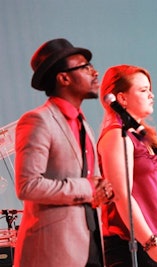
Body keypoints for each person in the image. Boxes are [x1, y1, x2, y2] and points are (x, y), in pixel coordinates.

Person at [14, 38, 114, 267]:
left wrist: (103, 190)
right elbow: (27, 185)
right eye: (85, 67)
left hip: (90, 242)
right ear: (64, 78)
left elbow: (91, 181)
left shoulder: (84, 124)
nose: (94, 72)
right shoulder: (38, 120)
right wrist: (88, 188)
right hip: (54, 250)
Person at [97, 65, 157, 267]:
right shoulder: (117, 135)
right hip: (131, 246)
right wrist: (148, 241)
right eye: (143, 90)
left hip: (151, 244)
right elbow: (122, 195)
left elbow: (152, 190)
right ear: (122, 98)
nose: (152, 95)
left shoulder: (139, 136)